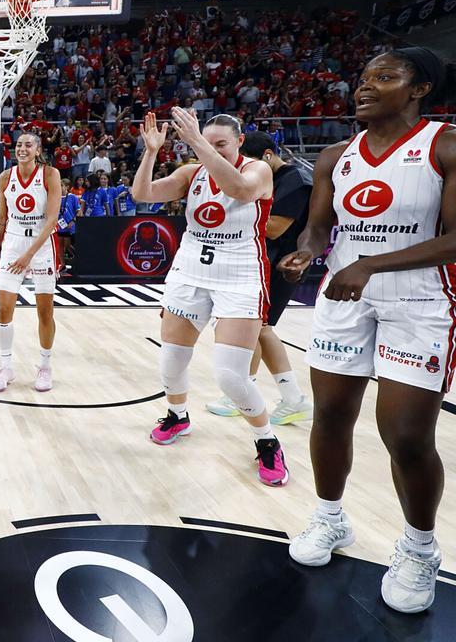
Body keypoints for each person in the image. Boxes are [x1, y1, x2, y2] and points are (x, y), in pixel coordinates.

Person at [279, 47, 456, 614]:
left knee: (404, 435)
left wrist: (373, 264)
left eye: (385, 77)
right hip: (342, 296)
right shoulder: (336, 155)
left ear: (420, 89)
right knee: (330, 415)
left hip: (420, 300)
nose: (366, 86)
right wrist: (305, 255)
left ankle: (419, 548)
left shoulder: (446, 146)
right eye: (363, 77)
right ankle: (330, 518)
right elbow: (317, 230)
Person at [132, 110, 289, 487]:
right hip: (190, 272)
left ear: (238, 142)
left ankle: (267, 440)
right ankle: (178, 415)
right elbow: (142, 194)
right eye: (208, 141)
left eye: (221, 143)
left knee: (230, 375)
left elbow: (240, 190)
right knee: (171, 360)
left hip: (239, 276)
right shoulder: (191, 173)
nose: (212, 148)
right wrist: (151, 152)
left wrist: (200, 145)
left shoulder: (258, 171)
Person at [206, 131, 313, 425]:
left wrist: (231, 213)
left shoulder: (296, 180)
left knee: (256, 327)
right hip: (261, 262)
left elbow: (275, 228)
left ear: (267, 155)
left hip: (281, 264)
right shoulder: (273, 177)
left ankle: (246, 392)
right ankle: (291, 398)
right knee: (259, 328)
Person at [0, 133, 63, 392]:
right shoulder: (5, 177)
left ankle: (45, 367)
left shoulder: (50, 174)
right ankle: (6, 367)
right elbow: (1, 218)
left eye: (28, 145)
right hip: (13, 242)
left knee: (45, 311)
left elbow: (52, 220)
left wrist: (28, 256)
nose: (22, 149)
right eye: (19, 145)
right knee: (4, 310)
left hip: (41, 246)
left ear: (38, 149)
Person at [55, 177, 81, 271]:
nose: (59, 187)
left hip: (69, 226)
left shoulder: (72, 197)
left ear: (67, 187)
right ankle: (62, 264)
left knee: (67, 245)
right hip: (59, 225)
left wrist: (73, 221)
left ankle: (80, 257)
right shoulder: (55, 197)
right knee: (60, 245)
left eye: (61, 185)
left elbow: (78, 211)